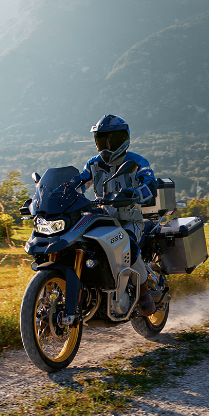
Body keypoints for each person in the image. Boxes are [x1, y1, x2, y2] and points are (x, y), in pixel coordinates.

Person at [72, 114, 158, 315]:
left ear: (123, 139)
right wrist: (61, 191)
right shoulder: (93, 164)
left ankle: (144, 290)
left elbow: (150, 186)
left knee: (126, 242)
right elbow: (79, 183)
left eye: (111, 140)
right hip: (101, 220)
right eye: (101, 140)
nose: (105, 146)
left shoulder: (137, 162)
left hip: (129, 220)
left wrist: (136, 193)